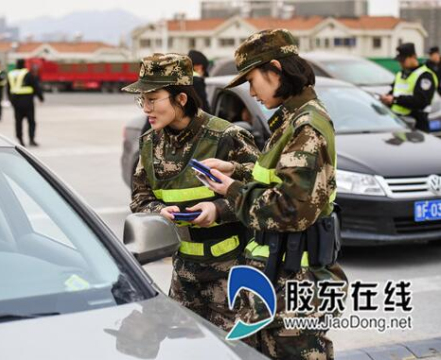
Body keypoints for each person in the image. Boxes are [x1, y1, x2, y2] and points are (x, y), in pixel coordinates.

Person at [203, 29, 348, 359]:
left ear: (275, 69)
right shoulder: (291, 119)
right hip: (276, 278)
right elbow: (281, 179)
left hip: (296, 286)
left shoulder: (307, 125)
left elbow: (291, 209)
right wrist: (235, 171)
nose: (251, 91)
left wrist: (233, 191)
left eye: (252, 80)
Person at [121, 53, 259, 332]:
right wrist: (158, 211)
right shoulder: (149, 144)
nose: (146, 108)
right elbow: (140, 199)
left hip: (232, 273)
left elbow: (262, 193)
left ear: (181, 99)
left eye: (152, 99)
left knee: (232, 350)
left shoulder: (227, 137)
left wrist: (218, 210)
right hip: (183, 275)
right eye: (142, 100)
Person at [380, 43, 438, 132]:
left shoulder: (425, 75)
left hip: (417, 123)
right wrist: (386, 98)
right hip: (398, 122)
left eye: (403, 60)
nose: (400, 63)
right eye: (399, 61)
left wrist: (395, 100)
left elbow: (421, 101)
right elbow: (394, 92)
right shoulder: (400, 74)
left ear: (413, 57)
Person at [7, 59, 44, 146]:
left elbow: (8, 89)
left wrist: (11, 100)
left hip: (16, 101)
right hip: (27, 101)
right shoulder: (27, 73)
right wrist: (41, 97)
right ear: (24, 64)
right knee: (31, 121)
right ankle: (31, 139)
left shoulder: (11, 74)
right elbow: (35, 86)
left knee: (18, 121)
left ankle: (20, 140)